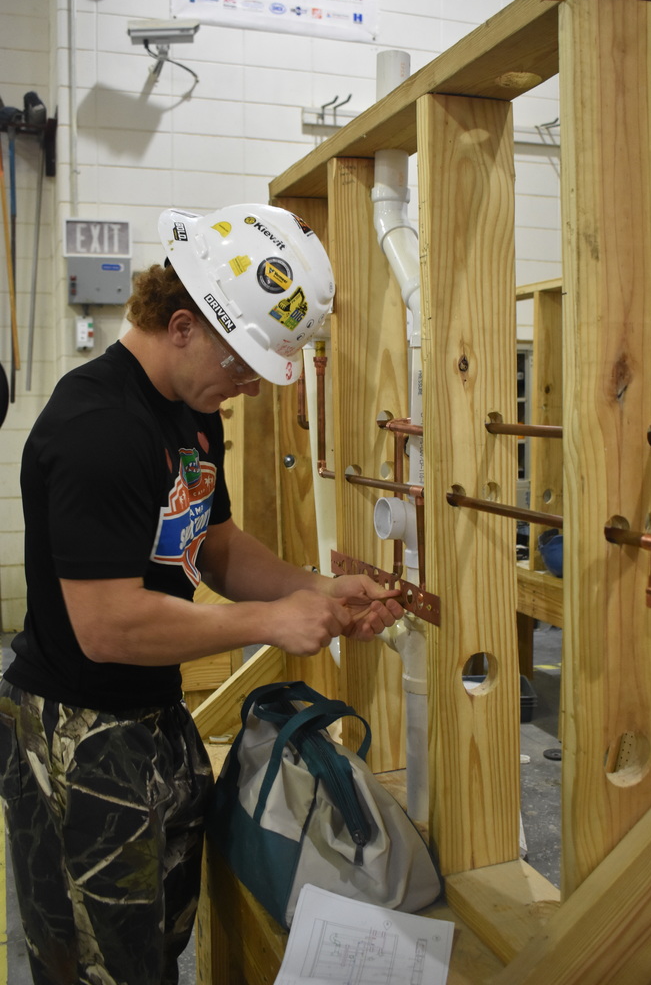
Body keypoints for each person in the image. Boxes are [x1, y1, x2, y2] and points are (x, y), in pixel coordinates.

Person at [0, 203, 403, 985]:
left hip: (150, 714)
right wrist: (268, 623)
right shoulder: (98, 427)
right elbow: (108, 628)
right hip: (77, 733)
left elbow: (210, 544)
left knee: (155, 946)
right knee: (96, 967)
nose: (249, 386)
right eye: (243, 362)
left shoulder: (191, 411)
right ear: (181, 323)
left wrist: (312, 587)